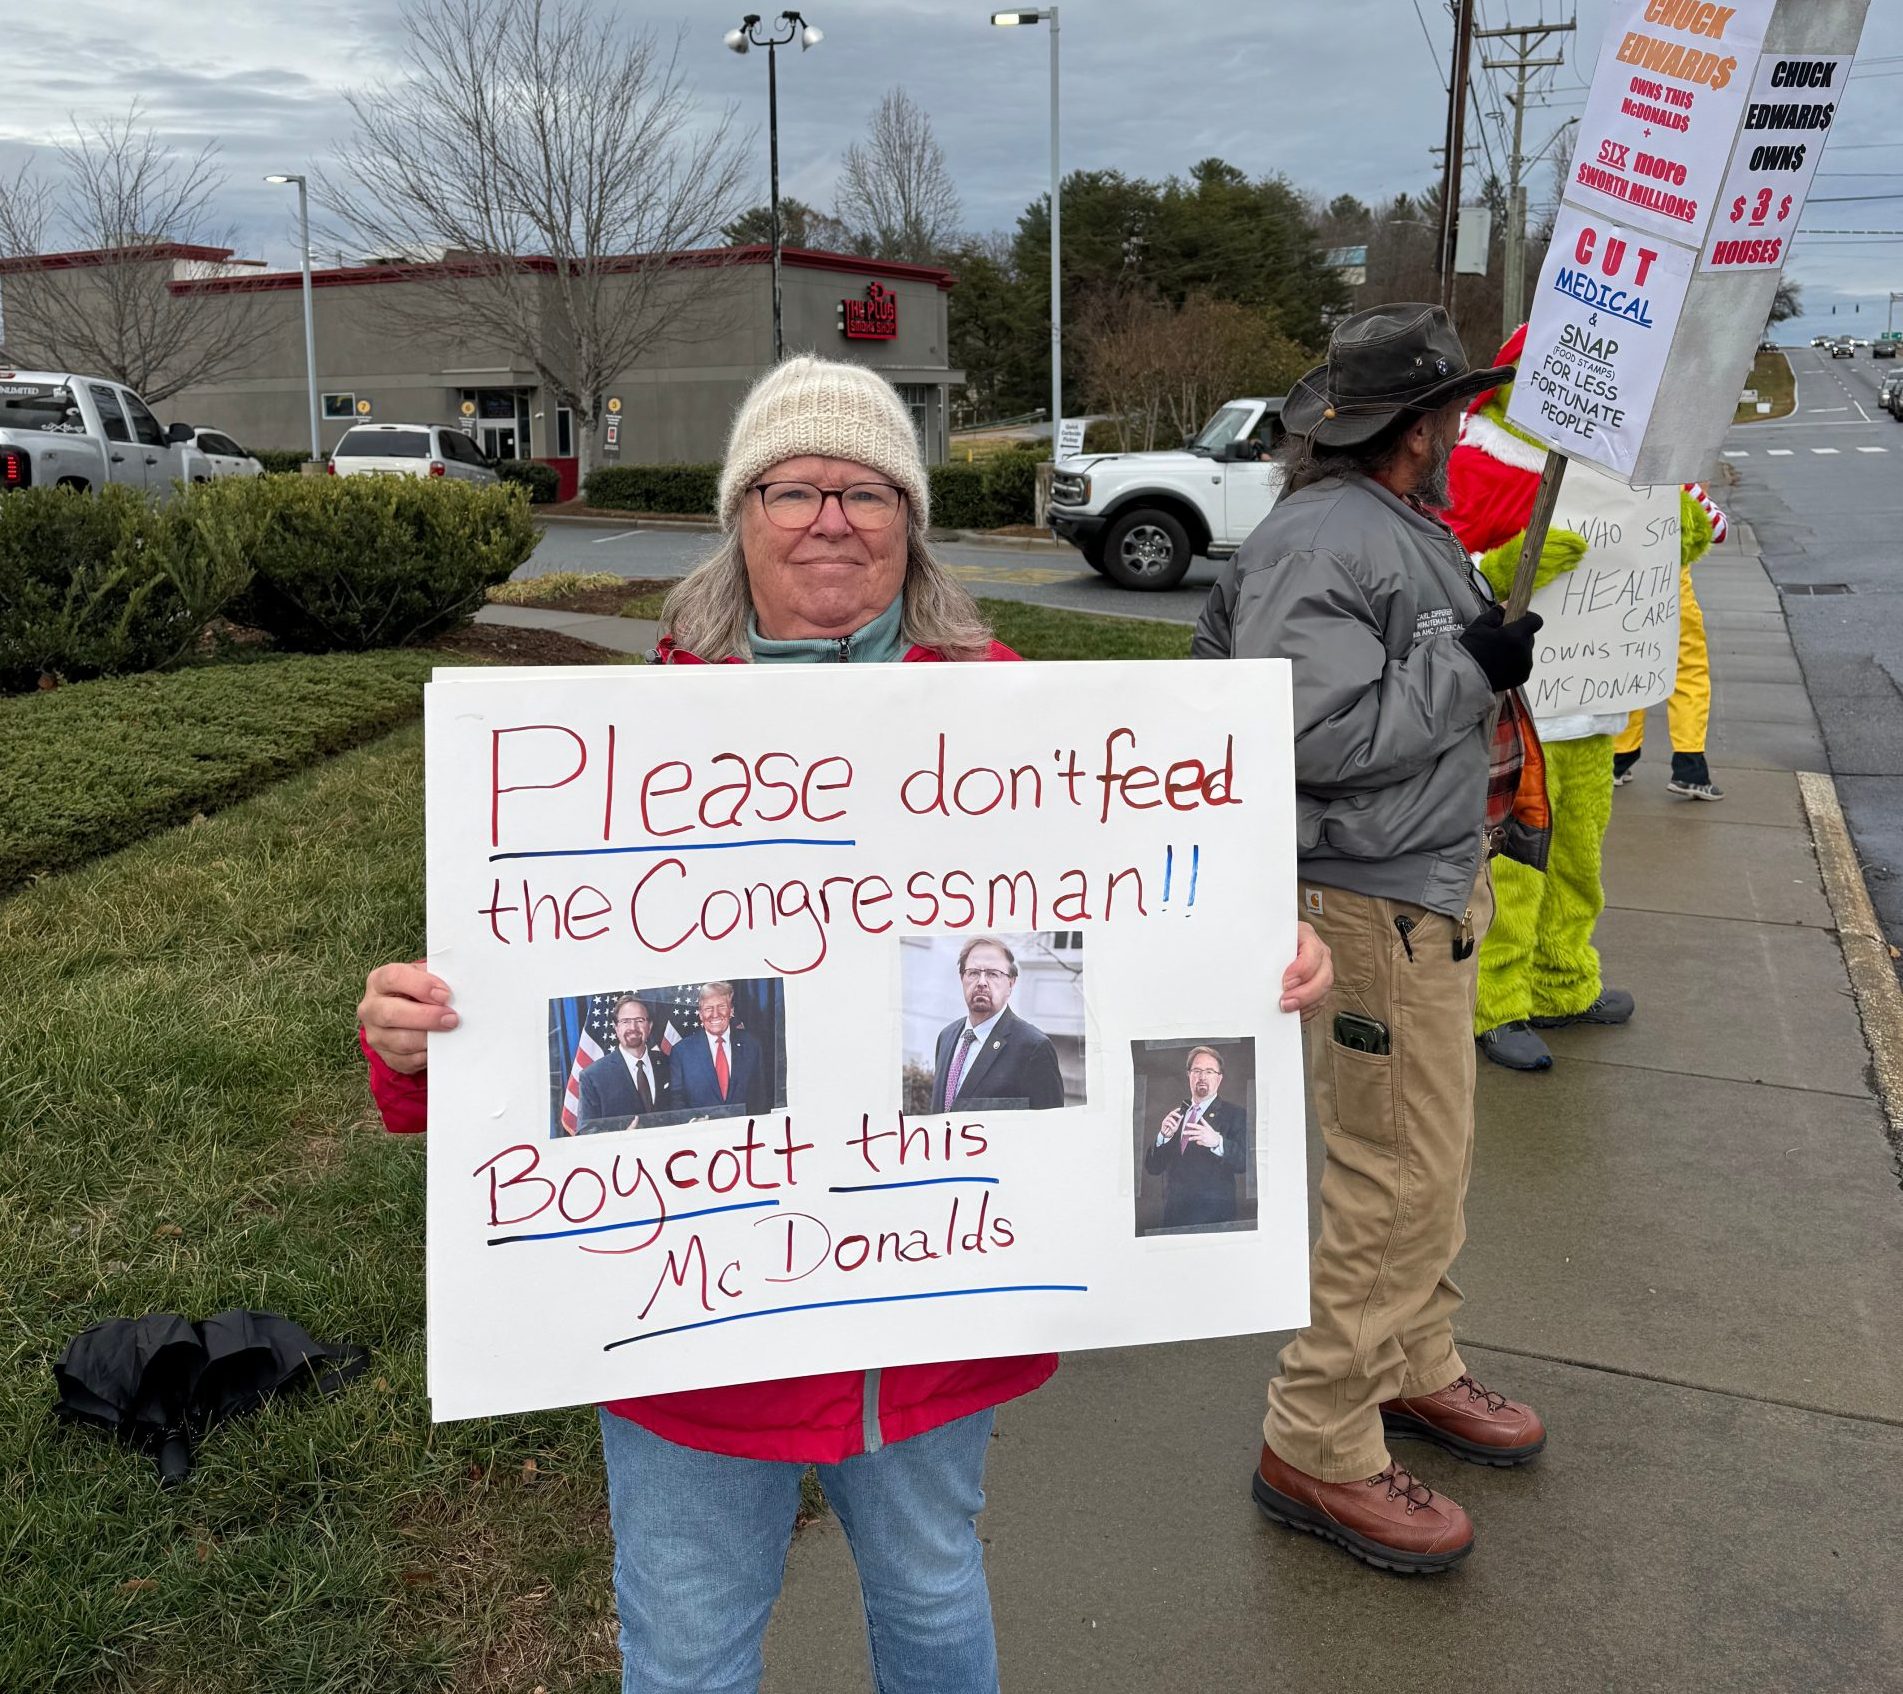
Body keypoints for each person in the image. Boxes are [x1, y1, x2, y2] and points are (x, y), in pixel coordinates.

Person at [358, 350, 1337, 1692]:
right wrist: (417, 1044)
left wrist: (1244, 960)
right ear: (739, 516)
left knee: (933, 1599)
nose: (830, 518)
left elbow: (1139, 933)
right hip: (690, 1341)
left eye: (866, 491)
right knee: (688, 1650)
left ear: (910, 522)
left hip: (928, 1324)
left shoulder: (1030, 726)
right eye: (792, 488)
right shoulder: (612, 750)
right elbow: (533, 1040)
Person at [1192, 304, 1551, 1576]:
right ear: (1415, 426)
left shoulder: (1383, 523)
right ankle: (1318, 1432)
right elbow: (1308, 734)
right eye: (1452, 413)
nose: (1462, 433)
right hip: (1371, 900)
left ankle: (1407, 1360)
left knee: (1424, 1161)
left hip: (1416, 886)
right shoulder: (1323, 541)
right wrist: (1473, 666)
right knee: (1391, 1171)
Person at [1441, 324, 1691, 1072]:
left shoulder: (1628, 475)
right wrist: (1507, 567)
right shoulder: (1477, 468)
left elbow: (1667, 547)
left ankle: (1563, 980)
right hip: (1516, 714)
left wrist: (1682, 527)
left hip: (1593, 704)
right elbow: (1439, 575)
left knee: (1579, 858)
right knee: (1512, 864)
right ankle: (1496, 1003)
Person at [1612, 480, 1728, 801]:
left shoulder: (1612, 478)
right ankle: (1690, 767)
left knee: (1629, 664)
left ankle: (1619, 756)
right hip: (1671, 593)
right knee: (1688, 670)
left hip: (1623, 591)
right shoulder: (1676, 483)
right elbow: (1718, 529)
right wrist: (1698, 490)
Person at [927, 937, 1065, 1113]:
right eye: (973, 973)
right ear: (962, 978)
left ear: (1011, 983)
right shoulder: (947, 1036)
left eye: (993, 974)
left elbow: (1049, 1125)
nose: (982, 982)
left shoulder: (1034, 1048)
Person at [1142, 1045, 1247, 1228]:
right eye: (1197, 1071)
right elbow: (1153, 1168)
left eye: (1209, 1071)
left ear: (1219, 1078)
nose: (1202, 1077)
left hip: (1214, 1219)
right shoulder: (1177, 1114)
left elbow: (1245, 1163)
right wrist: (1163, 1137)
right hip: (1173, 1217)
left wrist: (1218, 1142)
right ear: (1189, 1075)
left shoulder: (1235, 1114)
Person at [668, 981, 768, 1119]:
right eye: (708, 1008)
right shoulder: (681, 1052)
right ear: (700, 1014)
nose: (715, 1014)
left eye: (721, 1006)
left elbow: (760, 1097)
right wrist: (693, 1122)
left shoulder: (752, 1046)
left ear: (731, 1011)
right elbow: (676, 1101)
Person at [574, 995, 672, 1132]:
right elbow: (585, 1131)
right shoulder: (593, 1076)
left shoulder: (669, 1063)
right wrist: (622, 1139)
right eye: (625, 1021)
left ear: (649, 1026)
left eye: (639, 1020)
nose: (633, 1027)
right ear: (616, 1027)